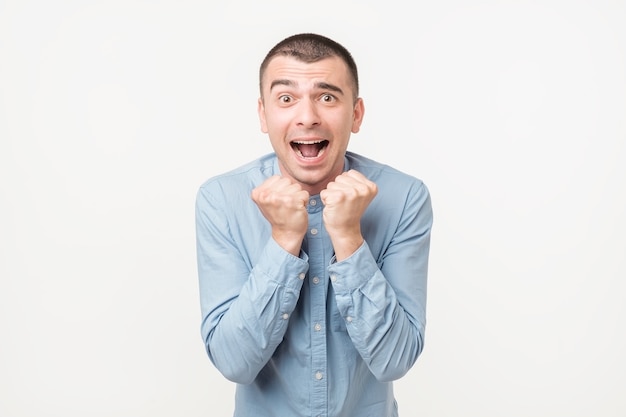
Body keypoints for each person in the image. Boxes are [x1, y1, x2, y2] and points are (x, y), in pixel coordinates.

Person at [195, 32, 433, 417]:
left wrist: (349, 239)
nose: (307, 116)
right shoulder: (220, 201)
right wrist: (285, 241)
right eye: (286, 99)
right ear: (263, 114)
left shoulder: (404, 198)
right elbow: (233, 363)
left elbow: (395, 360)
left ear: (356, 114)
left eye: (327, 97)